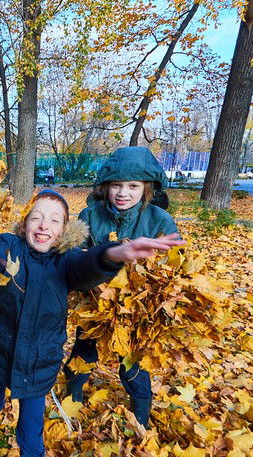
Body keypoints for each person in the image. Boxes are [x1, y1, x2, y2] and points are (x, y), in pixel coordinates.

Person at [0, 189, 184, 457]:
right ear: (24, 223)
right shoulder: (9, 246)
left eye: (54, 220)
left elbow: (86, 265)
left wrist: (113, 254)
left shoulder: (65, 262)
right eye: (36, 217)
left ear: (64, 230)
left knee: (30, 441)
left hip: (37, 366)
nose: (44, 225)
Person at [62, 146, 178, 428]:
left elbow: (172, 266)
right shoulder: (90, 215)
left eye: (132, 186)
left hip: (136, 310)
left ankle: (141, 412)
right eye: (116, 185)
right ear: (106, 186)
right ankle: (72, 396)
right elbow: (74, 256)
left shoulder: (159, 220)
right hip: (94, 306)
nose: (123, 193)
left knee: (132, 360)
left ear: (146, 188)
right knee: (83, 352)